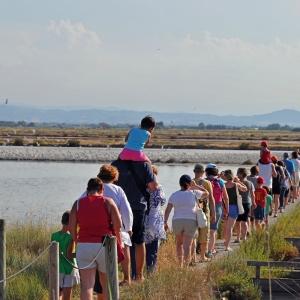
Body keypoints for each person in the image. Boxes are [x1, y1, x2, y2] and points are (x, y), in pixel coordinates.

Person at [69, 178, 122, 300]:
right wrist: (119, 242)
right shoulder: (108, 202)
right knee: (106, 284)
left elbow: (72, 228)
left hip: (84, 245)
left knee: (87, 286)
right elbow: (118, 225)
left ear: (87, 190)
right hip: (104, 245)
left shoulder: (77, 204)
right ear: (102, 189)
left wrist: (77, 241)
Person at [111, 159, 156, 282]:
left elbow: (111, 183)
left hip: (118, 209)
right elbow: (153, 186)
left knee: (125, 243)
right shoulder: (145, 164)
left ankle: (127, 278)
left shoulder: (116, 164)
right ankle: (139, 276)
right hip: (139, 206)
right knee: (139, 242)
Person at [164, 175, 209, 267]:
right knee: (187, 245)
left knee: (179, 244)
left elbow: (168, 209)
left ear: (179, 184)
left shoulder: (174, 195)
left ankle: (179, 265)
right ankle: (186, 266)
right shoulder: (194, 193)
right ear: (190, 183)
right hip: (190, 221)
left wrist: (165, 221)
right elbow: (207, 193)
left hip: (177, 221)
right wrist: (196, 185)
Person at [51, 211, 80, 300]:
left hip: (58, 268)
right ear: (71, 222)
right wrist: (79, 255)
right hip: (69, 269)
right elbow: (69, 255)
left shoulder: (54, 235)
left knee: (58, 294)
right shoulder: (71, 237)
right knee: (67, 296)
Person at [144, 165, 166, 272]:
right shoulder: (158, 188)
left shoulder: (142, 187)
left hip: (144, 218)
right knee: (154, 247)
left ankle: (141, 270)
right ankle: (151, 269)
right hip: (155, 219)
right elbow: (162, 201)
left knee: (143, 246)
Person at [192, 163, 216, 262]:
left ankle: (192, 258)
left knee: (193, 235)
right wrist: (213, 213)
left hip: (193, 211)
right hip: (204, 211)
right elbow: (211, 198)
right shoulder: (206, 183)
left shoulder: (190, 182)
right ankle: (202, 257)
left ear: (194, 171)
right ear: (203, 172)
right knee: (204, 235)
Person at [205, 164, 229, 257]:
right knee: (213, 230)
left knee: (204, 229)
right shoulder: (220, 182)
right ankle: (210, 251)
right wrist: (226, 210)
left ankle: (203, 249)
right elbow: (226, 197)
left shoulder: (204, 181)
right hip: (218, 207)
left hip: (206, 207)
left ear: (206, 172)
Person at [223, 170, 247, 251]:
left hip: (224, 207)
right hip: (233, 208)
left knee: (226, 227)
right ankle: (227, 246)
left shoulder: (223, 185)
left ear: (225, 177)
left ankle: (225, 242)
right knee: (230, 228)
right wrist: (239, 181)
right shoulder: (236, 185)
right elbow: (245, 189)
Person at [235, 168, 256, 242]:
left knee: (239, 221)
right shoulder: (250, 183)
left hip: (240, 203)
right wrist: (253, 202)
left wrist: (253, 202)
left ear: (241, 174)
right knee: (243, 221)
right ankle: (243, 237)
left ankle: (239, 237)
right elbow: (252, 194)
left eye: (238, 173)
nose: (237, 174)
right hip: (246, 203)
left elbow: (252, 194)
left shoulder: (236, 183)